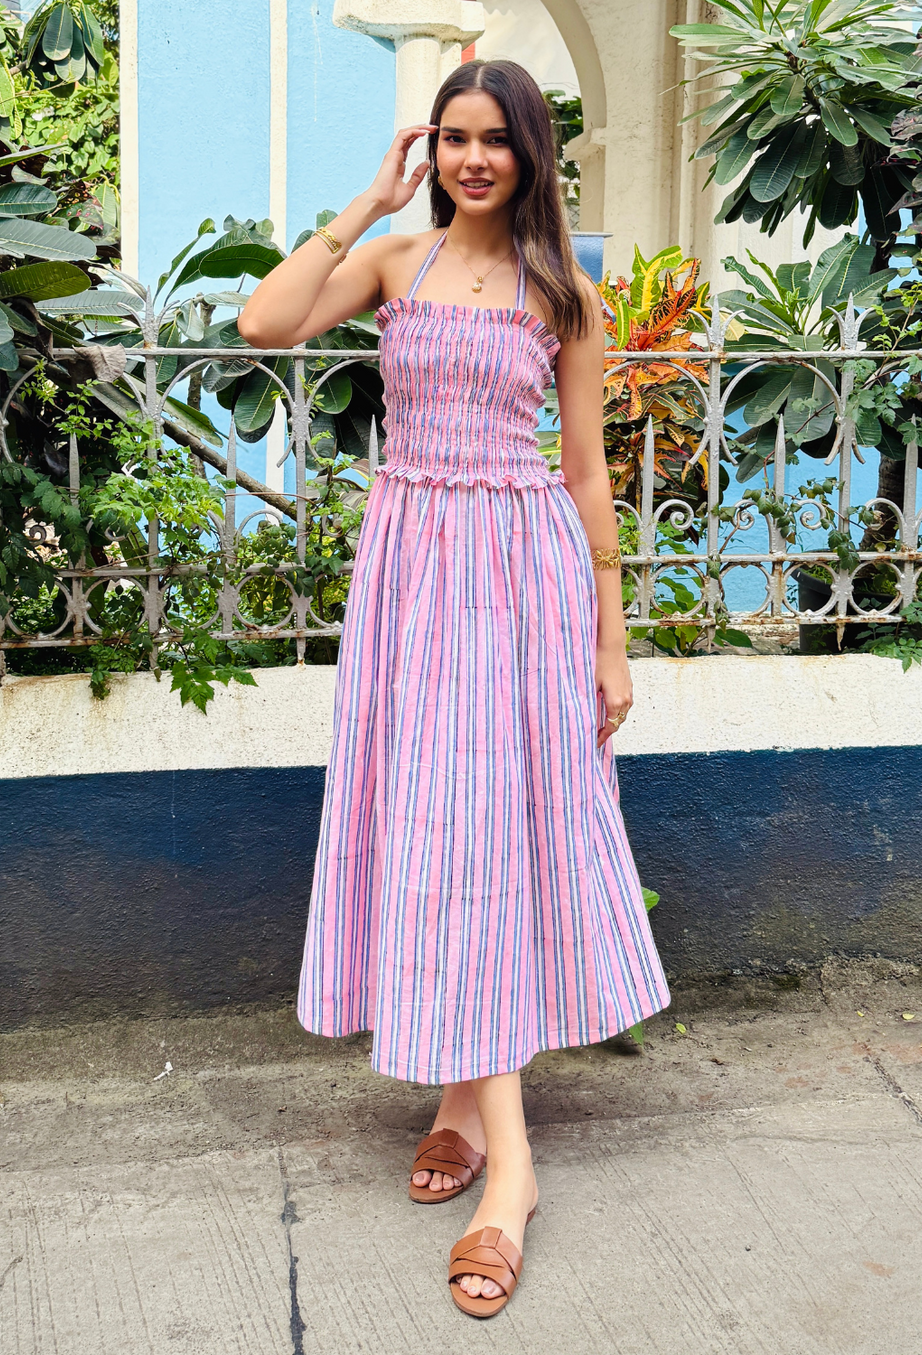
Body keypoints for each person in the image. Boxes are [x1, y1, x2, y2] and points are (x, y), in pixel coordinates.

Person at [239, 57, 671, 1320]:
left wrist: (609, 638)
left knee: (484, 837)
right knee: (429, 831)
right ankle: (457, 1107)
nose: (473, 160)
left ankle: (509, 1168)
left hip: (520, 576)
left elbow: (586, 475)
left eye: (496, 141)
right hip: (411, 572)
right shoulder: (393, 263)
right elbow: (266, 323)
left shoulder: (562, 293)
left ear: (532, 154)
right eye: (454, 140)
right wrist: (366, 201)